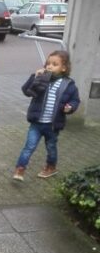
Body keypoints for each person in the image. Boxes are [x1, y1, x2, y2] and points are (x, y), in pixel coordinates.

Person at [13, 50, 80, 182]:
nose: (49, 66)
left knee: (51, 147)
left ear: (64, 68)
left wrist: (70, 107)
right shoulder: (42, 79)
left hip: (52, 125)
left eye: (54, 64)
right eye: (48, 63)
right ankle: (20, 168)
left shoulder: (69, 84)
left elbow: (75, 100)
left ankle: (51, 167)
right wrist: (34, 76)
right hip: (36, 123)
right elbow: (26, 91)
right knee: (29, 146)